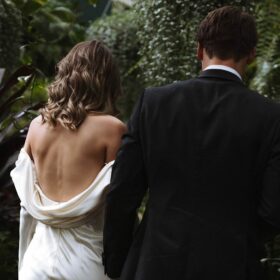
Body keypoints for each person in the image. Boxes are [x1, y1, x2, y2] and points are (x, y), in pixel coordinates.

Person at [103, 6, 280, 280]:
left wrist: (118, 263)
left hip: (154, 265)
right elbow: (272, 211)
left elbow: (122, 193)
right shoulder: (271, 117)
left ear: (199, 50)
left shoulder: (154, 103)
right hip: (231, 266)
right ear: (252, 53)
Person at [10, 40, 126, 280]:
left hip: (36, 262)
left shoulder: (36, 128)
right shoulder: (112, 129)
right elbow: (122, 202)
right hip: (88, 262)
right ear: (106, 80)